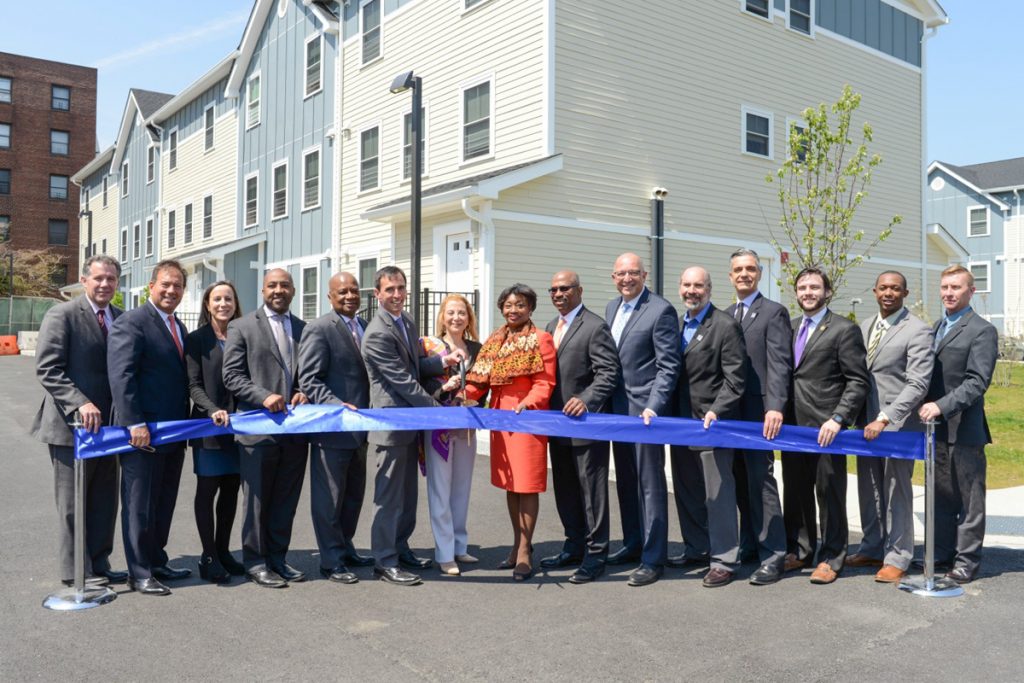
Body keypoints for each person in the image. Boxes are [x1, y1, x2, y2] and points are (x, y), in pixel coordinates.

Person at [361, 266, 462, 586]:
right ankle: (384, 560)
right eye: (389, 289)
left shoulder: (406, 322)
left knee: (406, 497)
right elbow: (402, 381)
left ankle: (401, 549)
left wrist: (442, 362)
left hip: (411, 425)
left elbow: (415, 366)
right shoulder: (377, 331)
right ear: (377, 294)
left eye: (400, 288)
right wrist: (438, 412)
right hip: (391, 426)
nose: (396, 294)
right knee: (388, 497)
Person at [32, 254, 126, 587]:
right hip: (70, 428)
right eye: (99, 278)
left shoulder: (121, 318)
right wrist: (81, 402)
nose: (105, 284)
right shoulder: (63, 314)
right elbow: (48, 368)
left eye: (111, 279)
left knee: (103, 501)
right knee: (73, 504)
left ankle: (99, 563)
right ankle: (76, 570)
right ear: (84, 280)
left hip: (110, 430)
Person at [107, 259, 192, 596]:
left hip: (174, 432)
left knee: (163, 501)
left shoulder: (178, 327)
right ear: (151, 286)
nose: (171, 291)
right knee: (139, 504)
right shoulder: (132, 323)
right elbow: (121, 375)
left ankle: (157, 560)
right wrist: (133, 422)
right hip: (142, 432)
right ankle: (139, 572)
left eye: (178, 286)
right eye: (165, 284)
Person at [222, 268, 309, 589]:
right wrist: (264, 396)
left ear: (293, 291)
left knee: (286, 499)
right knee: (257, 501)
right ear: (263, 291)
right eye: (272, 285)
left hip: (296, 431)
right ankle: (255, 561)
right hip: (258, 430)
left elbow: (308, 373)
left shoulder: (303, 329)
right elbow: (231, 376)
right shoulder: (241, 327)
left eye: (284, 285)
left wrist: (305, 391)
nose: (278, 290)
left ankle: (277, 558)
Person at [782, 267, 869, 585]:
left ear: (827, 292)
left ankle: (832, 557)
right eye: (802, 287)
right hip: (792, 429)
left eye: (814, 287)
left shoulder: (844, 330)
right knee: (796, 492)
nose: (808, 292)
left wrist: (838, 418)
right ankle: (802, 551)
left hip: (825, 428)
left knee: (829, 493)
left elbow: (857, 381)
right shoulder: (788, 328)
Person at [465, 283, 556, 582]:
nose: (513, 310)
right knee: (510, 483)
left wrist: (529, 404)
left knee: (527, 484)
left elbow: (545, 383)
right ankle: (516, 544)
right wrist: (460, 396)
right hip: (501, 418)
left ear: (530, 308)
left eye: (520, 305)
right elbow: (479, 382)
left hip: (527, 418)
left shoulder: (541, 339)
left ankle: (526, 551)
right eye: (508, 304)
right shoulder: (495, 340)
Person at [850, 271, 933, 583]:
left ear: (905, 293)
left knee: (897, 490)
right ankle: (872, 546)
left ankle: (898, 555)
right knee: (868, 485)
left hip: (897, 425)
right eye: (883, 288)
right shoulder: (865, 326)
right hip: (864, 423)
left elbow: (917, 384)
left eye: (895, 289)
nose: (889, 293)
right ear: (874, 291)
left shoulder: (918, 331)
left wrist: (885, 417)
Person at [918, 264, 998, 584]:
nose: (949, 293)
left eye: (956, 288)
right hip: (934, 430)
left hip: (964, 428)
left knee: (969, 500)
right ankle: (941, 553)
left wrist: (940, 405)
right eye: (945, 287)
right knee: (940, 496)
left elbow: (977, 382)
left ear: (971, 292)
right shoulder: (937, 326)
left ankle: (967, 561)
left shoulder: (981, 330)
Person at [604, 253, 681, 587]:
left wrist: (655, 405)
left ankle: (653, 558)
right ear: (613, 277)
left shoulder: (660, 310)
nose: (627, 279)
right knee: (625, 481)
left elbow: (668, 366)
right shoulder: (611, 308)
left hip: (645, 413)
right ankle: (633, 542)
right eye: (621, 273)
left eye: (633, 273)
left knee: (650, 486)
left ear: (644, 274)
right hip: (617, 413)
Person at [539, 270, 620, 584]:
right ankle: (573, 545)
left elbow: (608, 373)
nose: (559, 294)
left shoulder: (595, 326)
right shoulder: (549, 327)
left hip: (586, 426)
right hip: (557, 426)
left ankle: (596, 553)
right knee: (566, 490)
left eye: (565, 288)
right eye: (554, 289)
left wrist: (586, 399)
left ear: (579, 290)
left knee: (592, 494)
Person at [669, 267, 746, 588]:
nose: (692, 291)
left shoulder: (725, 326)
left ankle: (724, 559)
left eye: (698, 285)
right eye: (686, 284)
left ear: (710, 289)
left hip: (711, 424)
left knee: (718, 496)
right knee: (687, 491)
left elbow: (735, 378)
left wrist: (717, 410)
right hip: (679, 424)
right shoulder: (675, 323)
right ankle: (696, 548)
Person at [297, 271, 374, 585]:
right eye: (342, 292)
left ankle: (345, 546)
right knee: (329, 498)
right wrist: (335, 404)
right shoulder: (319, 328)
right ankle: (330, 560)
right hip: (333, 429)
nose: (349, 296)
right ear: (330, 296)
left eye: (354, 291)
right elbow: (309, 379)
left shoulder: (366, 327)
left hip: (362, 430)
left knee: (354, 495)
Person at [723, 248, 789, 585]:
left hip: (759, 413)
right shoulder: (725, 313)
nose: (744, 274)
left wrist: (774, 406)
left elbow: (779, 363)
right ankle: (749, 544)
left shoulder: (773, 313)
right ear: (730, 275)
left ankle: (774, 554)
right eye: (738, 269)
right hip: (728, 415)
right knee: (738, 482)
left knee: (762, 482)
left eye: (750, 268)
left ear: (759, 273)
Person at [184, 281, 245, 584]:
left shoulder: (242, 334)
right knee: (207, 491)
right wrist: (211, 409)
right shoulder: (196, 339)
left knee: (231, 491)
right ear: (207, 304)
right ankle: (208, 556)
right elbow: (193, 384)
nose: (223, 304)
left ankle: (224, 550)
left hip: (240, 428)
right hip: (209, 427)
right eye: (217, 299)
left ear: (236, 303)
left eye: (228, 299)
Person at [421, 293, 483, 577]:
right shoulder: (430, 347)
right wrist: (444, 390)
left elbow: (485, 386)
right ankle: (445, 554)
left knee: (461, 488)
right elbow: (420, 384)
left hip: (467, 427)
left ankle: (459, 545)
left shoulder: (477, 348)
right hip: (439, 427)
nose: (457, 317)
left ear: (469, 317)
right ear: (442, 317)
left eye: (462, 313)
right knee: (440, 489)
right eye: (451, 313)